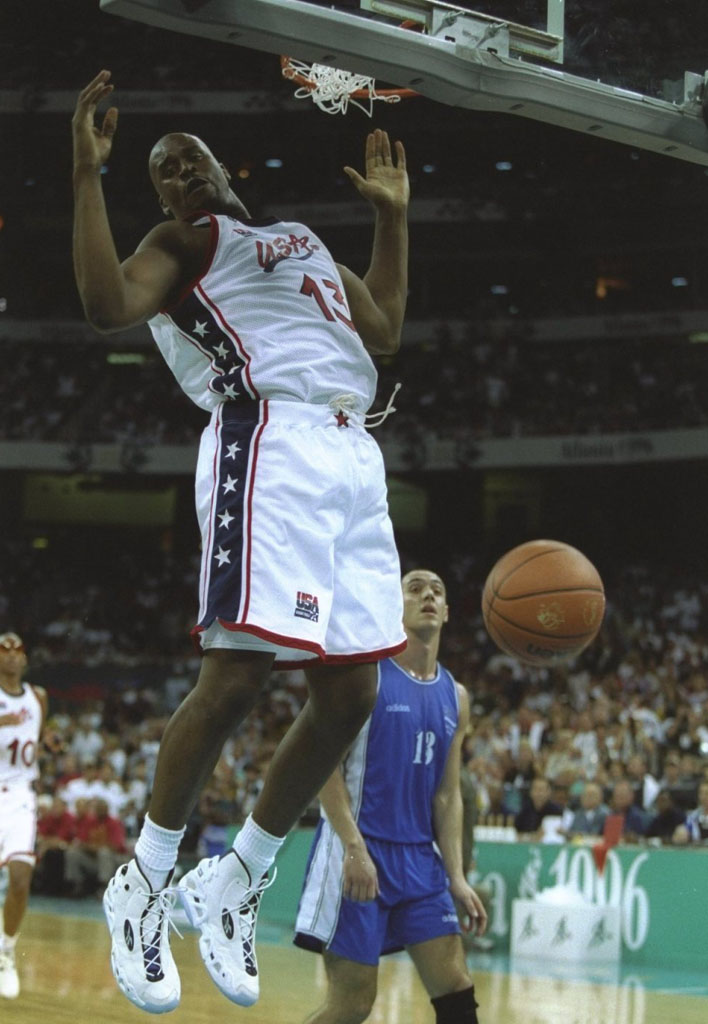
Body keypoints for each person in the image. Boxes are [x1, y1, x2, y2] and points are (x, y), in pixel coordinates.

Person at [71, 70, 409, 1014]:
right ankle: (141, 880)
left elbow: (382, 330)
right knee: (237, 676)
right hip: (266, 445)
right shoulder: (180, 243)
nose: (179, 174)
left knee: (352, 691)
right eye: (163, 171)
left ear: (226, 166)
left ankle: (235, 878)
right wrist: (85, 178)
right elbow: (103, 303)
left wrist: (392, 219)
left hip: (351, 449)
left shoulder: (298, 242)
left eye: (190, 160)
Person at [294, 570, 487, 1024]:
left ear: (446, 612)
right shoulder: (366, 679)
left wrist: (456, 875)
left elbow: (447, 794)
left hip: (421, 861)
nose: (428, 596)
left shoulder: (455, 696)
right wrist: (353, 847)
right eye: (415, 588)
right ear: (392, 605)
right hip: (359, 850)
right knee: (353, 1005)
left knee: (457, 988)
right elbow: (323, 767)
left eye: (437, 591)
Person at [0, 632, 58, 1000]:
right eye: (4, 651)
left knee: (21, 875)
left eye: (17, 651)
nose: (11, 657)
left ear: (25, 659)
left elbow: (38, 738)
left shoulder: (39, 697)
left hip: (21, 796)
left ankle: (6, 951)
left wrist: (51, 744)